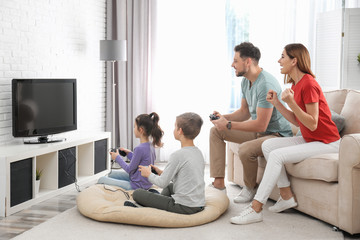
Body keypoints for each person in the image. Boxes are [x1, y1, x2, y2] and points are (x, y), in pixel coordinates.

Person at [230, 43, 341, 225]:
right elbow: (299, 121)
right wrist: (278, 103)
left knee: (277, 155)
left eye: (283, 57)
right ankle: (286, 195)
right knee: (268, 145)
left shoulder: (309, 84)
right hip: (310, 138)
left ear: (294, 61)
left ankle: (256, 208)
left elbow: (312, 123)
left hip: (327, 142)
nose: (279, 61)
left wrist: (291, 102)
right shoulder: (295, 85)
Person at [210, 42, 293, 203]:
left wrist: (228, 125)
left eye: (235, 61)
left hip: (276, 135)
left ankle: (249, 188)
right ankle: (219, 183)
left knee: (246, 149)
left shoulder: (266, 84)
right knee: (216, 131)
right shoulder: (245, 81)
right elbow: (244, 112)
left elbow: (261, 125)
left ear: (247, 62)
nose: (232, 64)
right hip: (259, 132)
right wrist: (223, 118)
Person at [125, 112, 205, 215]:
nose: (174, 129)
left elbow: (162, 183)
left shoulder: (177, 155)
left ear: (180, 131)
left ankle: (146, 205)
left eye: (175, 126)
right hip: (198, 203)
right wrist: (161, 172)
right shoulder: (198, 152)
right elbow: (187, 177)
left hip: (183, 206)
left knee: (138, 193)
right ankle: (156, 201)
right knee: (170, 187)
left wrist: (148, 174)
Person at [97, 112, 164, 190]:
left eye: (134, 127)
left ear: (141, 130)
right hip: (145, 182)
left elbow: (129, 170)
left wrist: (117, 158)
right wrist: (129, 154)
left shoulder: (139, 148)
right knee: (110, 173)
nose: (134, 129)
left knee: (101, 179)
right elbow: (140, 161)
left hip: (137, 185)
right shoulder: (150, 145)